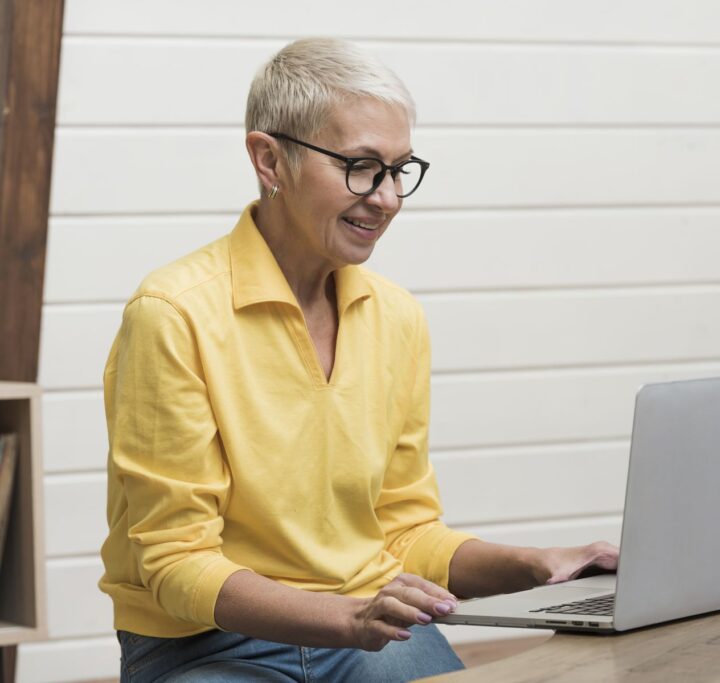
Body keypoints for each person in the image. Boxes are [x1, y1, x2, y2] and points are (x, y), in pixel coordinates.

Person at [98, 37, 618, 683]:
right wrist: (346, 616)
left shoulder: (396, 318)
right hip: (207, 644)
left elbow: (405, 533)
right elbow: (173, 562)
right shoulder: (171, 313)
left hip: (373, 630)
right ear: (269, 160)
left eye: (399, 169)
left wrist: (538, 563)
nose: (388, 198)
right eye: (361, 166)